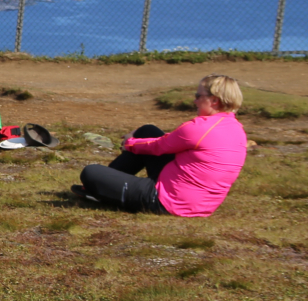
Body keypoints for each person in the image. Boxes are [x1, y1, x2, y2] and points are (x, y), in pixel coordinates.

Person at [75, 74, 247, 216]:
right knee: (148, 131)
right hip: (199, 204)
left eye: (198, 96)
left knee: (90, 172)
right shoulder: (235, 128)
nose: (194, 101)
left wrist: (129, 143)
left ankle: (99, 188)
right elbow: (171, 141)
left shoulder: (200, 127)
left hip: (168, 201)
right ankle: (101, 187)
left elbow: (159, 146)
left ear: (214, 100)